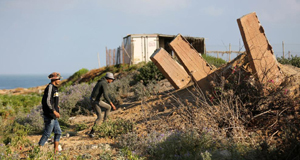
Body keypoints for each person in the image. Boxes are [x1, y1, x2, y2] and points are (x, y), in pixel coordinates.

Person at [38, 72, 62, 153]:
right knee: (47, 134)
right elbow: (47, 101)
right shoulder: (50, 87)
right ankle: (37, 150)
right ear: (54, 79)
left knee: (58, 132)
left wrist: (57, 106)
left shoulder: (55, 88)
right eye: (58, 79)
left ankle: (55, 151)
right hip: (50, 115)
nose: (59, 80)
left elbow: (53, 100)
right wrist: (54, 111)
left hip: (53, 115)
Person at [89, 72, 117, 137]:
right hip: (95, 101)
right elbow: (105, 95)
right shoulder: (104, 83)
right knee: (99, 117)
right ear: (108, 79)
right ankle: (92, 132)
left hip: (96, 100)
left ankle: (105, 124)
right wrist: (112, 104)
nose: (112, 81)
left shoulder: (102, 81)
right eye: (112, 79)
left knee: (108, 107)